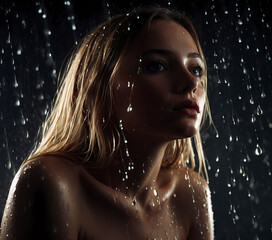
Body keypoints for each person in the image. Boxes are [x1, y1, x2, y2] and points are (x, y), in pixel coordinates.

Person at [0, 7, 214, 240]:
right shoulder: (54, 185)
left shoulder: (190, 194)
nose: (191, 82)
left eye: (195, 69)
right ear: (96, 89)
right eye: (157, 65)